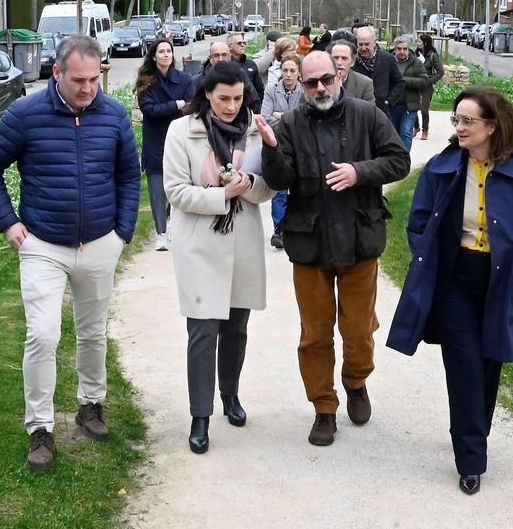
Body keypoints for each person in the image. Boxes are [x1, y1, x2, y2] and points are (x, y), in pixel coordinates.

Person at [0, 35, 141, 471]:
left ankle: (91, 405)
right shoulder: (26, 115)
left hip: (101, 242)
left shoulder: (114, 115)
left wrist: (122, 231)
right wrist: (9, 223)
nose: (88, 88)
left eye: (94, 79)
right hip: (43, 245)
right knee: (43, 335)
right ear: (57, 74)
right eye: (79, 80)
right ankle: (40, 429)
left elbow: (128, 173)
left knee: (92, 332)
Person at [386, 85, 513, 496]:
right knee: (463, 366)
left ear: (492, 126)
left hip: (501, 281)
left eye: (467, 121)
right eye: (456, 120)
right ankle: (471, 460)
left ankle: (472, 437)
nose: (458, 127)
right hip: (456, 280)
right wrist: (429, 256)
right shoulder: (443, 167)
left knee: (488, 364)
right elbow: (418, 222)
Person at [256, 51, 410, 446]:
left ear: (339, 75)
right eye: (312, 83)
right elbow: (280, 178)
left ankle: (356, 381)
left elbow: (398, 161)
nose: (320, 88)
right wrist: (272, 147)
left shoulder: (367, 114)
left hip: (360, 238)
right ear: (302, 86)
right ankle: (324, 407)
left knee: (358, 330)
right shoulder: (289, 123)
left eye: (327, 79)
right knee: (315, 334)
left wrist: (360, 171)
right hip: (310, 243)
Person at [163, 61, 276, 454]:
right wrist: (220, 195)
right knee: (203, 330)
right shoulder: (183, 131)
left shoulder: (254, 131)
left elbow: (267, 189)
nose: (231, 107)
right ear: (207, 95)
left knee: (237, 326)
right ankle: (200, 414)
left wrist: (246, 187)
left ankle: (230, 394)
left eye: (238, 98)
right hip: (200, 243)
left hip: (242, 238)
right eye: (223, 98)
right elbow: (175, 191)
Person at [136, 38, 194, 251]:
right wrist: (176, 104)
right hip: (156, 140)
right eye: (161, 51)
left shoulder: (184, 80)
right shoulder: (145, 82)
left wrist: (171, 108)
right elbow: (149, 110)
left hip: (180, 139)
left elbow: (192, 106)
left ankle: (176, 226)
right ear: (154, 56)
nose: (166, 54)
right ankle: (161, 232)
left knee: (180, 185)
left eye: (168, 51)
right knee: (157, 190)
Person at [261, 55, 304, 249]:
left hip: (300, 144)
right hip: (276, 143)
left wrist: (280, 115)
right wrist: (290, 117)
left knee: (298, 185)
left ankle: (295, 225)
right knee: (278, 187)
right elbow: (265, 117)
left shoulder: (304, 91)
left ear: (299, 73)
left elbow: (306, 116)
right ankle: (278, 228)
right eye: (285, 70)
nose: (288, 74)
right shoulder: (271, 89)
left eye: (292, 71)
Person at [353, 26, 405, 117]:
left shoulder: (387, 59)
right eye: (360, 44)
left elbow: (400, 82)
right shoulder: (352, 61)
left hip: (381, 111)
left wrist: (388, 100)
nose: (364, 48)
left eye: (367, 44)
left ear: (374, 42)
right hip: (357, 112)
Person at [392, 35, 428, 152]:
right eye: (399, 49)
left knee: (406, 133)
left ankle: (404, 160)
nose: (402, 52)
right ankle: (393, 160)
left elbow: (424, 80)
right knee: (393, 135)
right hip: (391, 105)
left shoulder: (416, 63)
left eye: (405, 49)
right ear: (394, 49)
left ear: (408, 49)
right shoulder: (388, 61)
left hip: (409, 106)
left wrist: (404, 81)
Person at [415, 33, 444, 140]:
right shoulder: (416, 54)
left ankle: (425, 130)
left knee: (424, 109)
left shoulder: (432, 55)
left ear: (425, 43)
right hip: (416, 84)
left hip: (427, 85)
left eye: (419, 42)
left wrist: (430, 81)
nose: (417, 43)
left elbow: (440, 72)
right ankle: (416, 127)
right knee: (413, 106)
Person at [329, 39, 375, 105]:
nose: (339, 63)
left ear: (352, 62)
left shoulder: (365, 84)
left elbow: (370, 113)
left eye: (344, 58)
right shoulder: (318, 80)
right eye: (336, 58)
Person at [227, 32, 266, 110]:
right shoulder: (225, 66)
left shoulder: (251, 64)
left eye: (244, 43)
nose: (242, 45)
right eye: (239, 43)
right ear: (230, 46)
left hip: (252, 108)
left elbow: (260, 89)